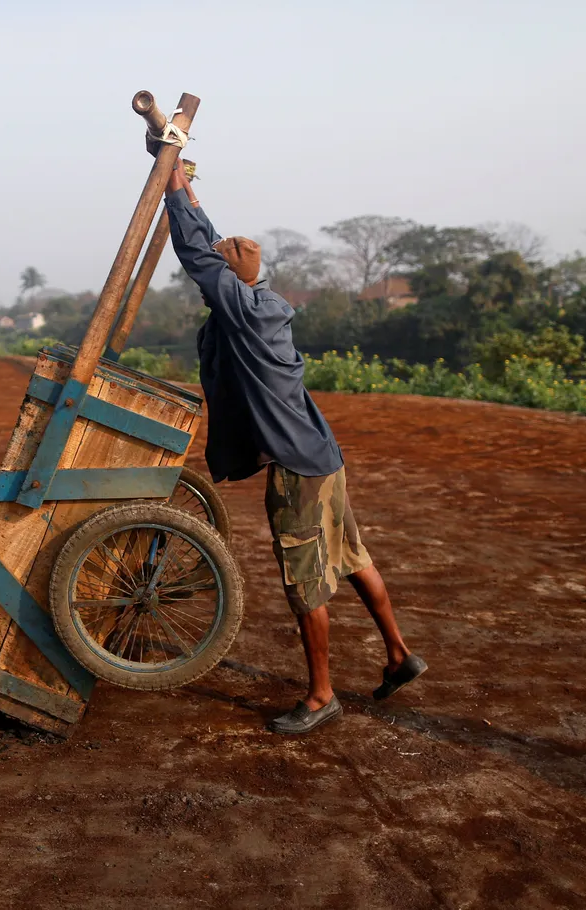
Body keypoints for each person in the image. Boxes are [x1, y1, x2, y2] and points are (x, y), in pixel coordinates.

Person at [164, 156, 427, 735]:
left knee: (303, 582)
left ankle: (321, 696)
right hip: (323, 455)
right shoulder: (264, 305)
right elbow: (211, 249)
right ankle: (399, 653)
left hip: (296, 468)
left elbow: (195, 254)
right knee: (354, 557)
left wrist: (171, 186)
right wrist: (181, 178)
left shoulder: (240, 314)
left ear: (232, 282)